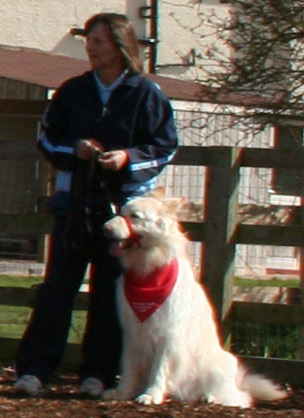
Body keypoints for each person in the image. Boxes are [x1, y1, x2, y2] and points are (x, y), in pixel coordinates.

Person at [13, 12, 178, 398]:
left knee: (108, 290)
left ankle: (99, 374)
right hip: (75, 206)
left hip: (120, 212)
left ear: (120, 47)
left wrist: (127, 159)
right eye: (88, 40)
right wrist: (77, 148)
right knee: (58, 288)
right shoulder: (72, 91)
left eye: (99, 42)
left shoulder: (146, 94)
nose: (90, 48)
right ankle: (35, 369)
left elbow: (164, 146)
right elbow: (48, 138)